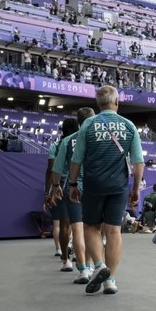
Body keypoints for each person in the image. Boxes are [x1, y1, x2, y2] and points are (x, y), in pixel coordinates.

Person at [68, 85, 144, 295]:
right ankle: (110, 279)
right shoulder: (129, 126)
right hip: (118, 186)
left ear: (98, 104)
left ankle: (99, 266)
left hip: (93, 185)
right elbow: (138, 162)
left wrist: (73, 184)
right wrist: (136, 188)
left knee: (91, 227)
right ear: (117, 102)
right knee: (114, 231)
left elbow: (77, 159)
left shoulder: (89, 125)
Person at [50, 108, 96, 284]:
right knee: (93, 229)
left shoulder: (68, 141)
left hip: (74, 188)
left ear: (78, 121)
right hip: (95, 189)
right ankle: (92, 265)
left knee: (77, 229)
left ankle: (83, 269)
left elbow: (57, 169)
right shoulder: (98, 138)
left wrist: (55, 187)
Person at [45, 131, 65, 262]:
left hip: (56, 188)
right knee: (71, 223)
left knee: (57, 223)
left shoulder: (54, 146)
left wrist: (47, 192)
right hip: (71, 186)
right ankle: (68, 246)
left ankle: (58, 249)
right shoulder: (75, 144)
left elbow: (51, 170)